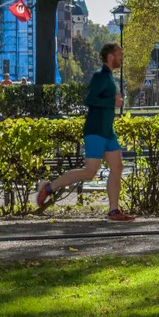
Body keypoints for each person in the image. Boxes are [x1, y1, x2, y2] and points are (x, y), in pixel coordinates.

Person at [36, 43, 134, 220]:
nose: (122, 56)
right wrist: (112, 103)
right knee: (90, 172)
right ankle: (49, 187)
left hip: (107, 131)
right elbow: (89, 99)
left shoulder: (109, 77)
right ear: (110, 56)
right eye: (120, 53)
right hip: (95, 129)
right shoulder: (100, 76)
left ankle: (113, 210)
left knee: (117, 167)